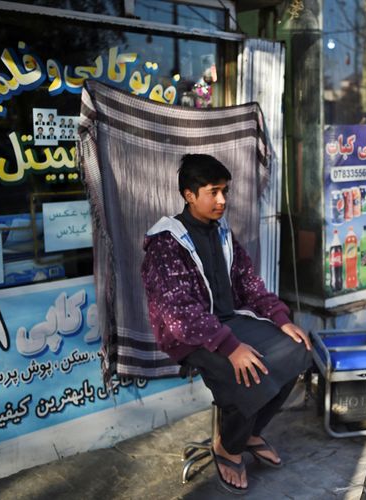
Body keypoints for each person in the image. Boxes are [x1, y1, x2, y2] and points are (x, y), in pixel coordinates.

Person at [141, 154, 313, 495]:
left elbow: (248, 283)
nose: (222, 200)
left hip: (228, 322)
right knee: (252, 373)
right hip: (189, 337)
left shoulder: (222, 232)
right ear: (189, 195)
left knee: (298, 350)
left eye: (226, 192)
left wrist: (280, 318)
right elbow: (179, 313)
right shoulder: (166, 241)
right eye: (213, 192)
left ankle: (247, 432)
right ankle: (228, 447)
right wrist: (231, 347)